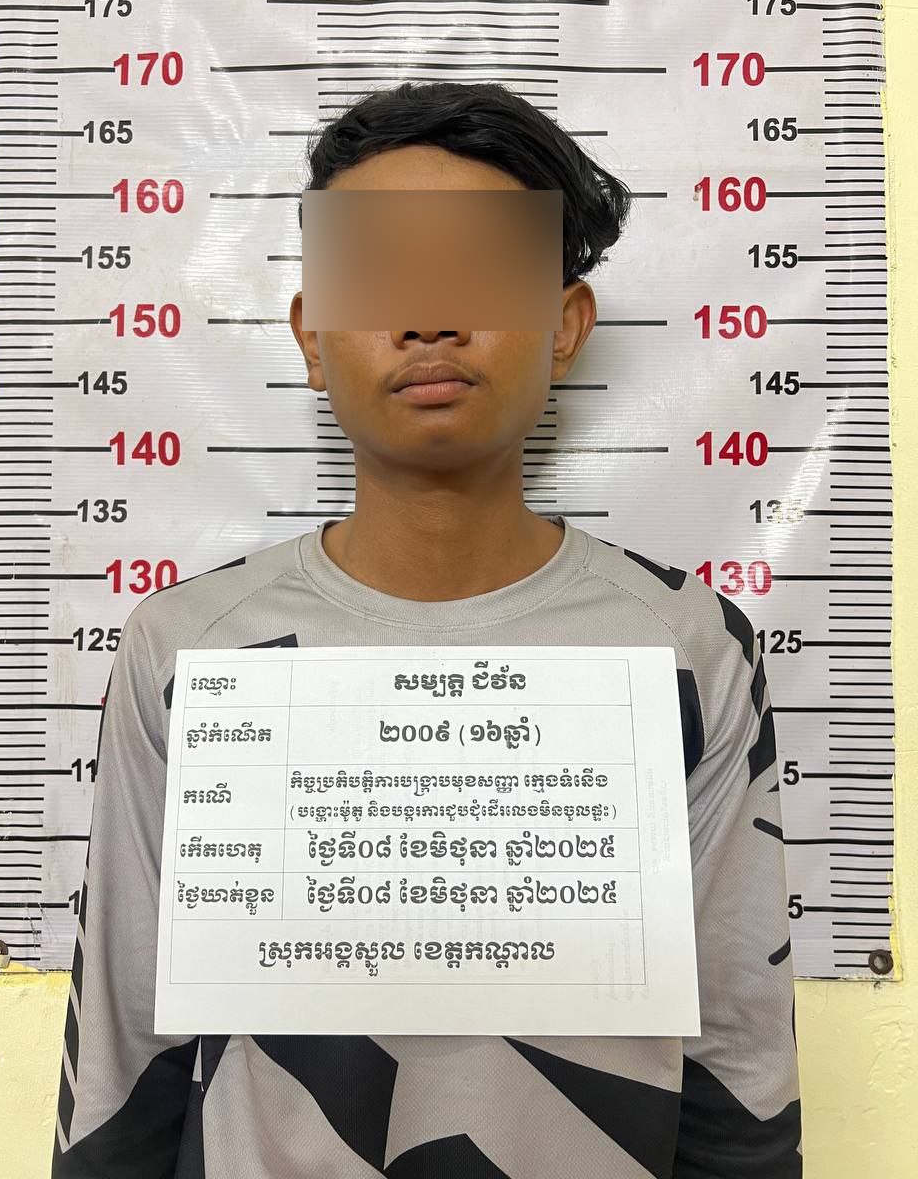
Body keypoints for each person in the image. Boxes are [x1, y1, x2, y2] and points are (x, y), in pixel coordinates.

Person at [51, 79, 802, 1177]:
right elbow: (124, 1047)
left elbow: (738, 1049)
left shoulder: (687, 645)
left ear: (565, 325)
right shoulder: (188, 646)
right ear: (312, 337)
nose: (429, 318)